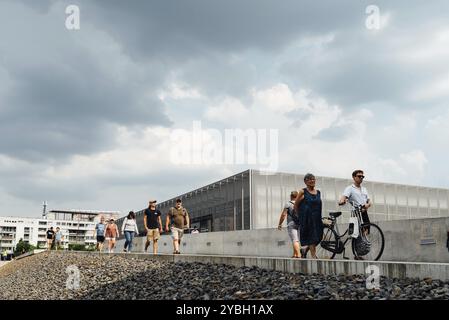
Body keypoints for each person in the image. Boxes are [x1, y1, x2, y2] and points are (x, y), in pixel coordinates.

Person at [294, 173, 323, 259]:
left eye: (313, 179)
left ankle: (305, 250)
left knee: (319, 236)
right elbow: (296, 205)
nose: (312, 181)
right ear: (305, 181)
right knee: (312, 237)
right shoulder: (303, 192)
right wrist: (299, 216)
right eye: (309, 179)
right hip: (307, 218)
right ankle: (313, 255)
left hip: (317, 218)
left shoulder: (318, 192)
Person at [278, 190, 302, 258]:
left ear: (291, 196)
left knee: (295, 240)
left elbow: (283, 215)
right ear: (297, 196)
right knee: (296, 239)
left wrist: (280, 224)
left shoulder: (288, 204)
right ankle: (294, 254)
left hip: (291, 223)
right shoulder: (300, 203)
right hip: (300, 223)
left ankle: (299, 255)